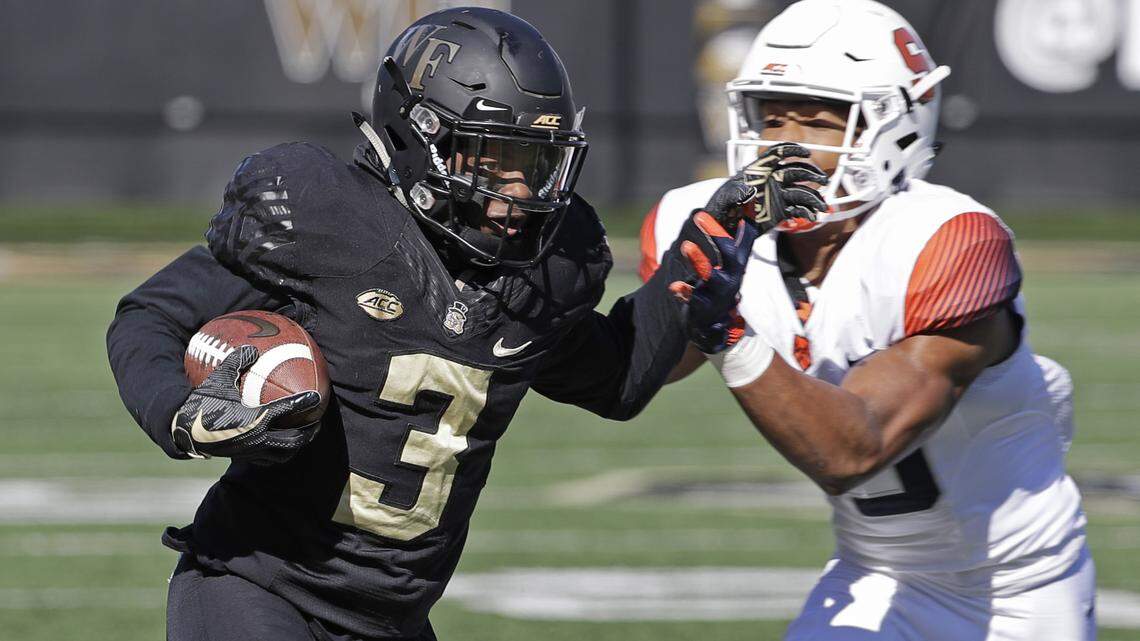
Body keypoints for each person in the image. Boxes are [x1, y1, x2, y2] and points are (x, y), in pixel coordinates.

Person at [106, 8, 802, 641]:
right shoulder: (322, 224)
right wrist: (181, 412)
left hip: (392, 620)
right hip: (256, 590)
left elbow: (617, 378)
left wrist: (704, 250)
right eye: (499, 159)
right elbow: (152, 315)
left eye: (539, 162)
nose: (523, 193)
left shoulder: (534, 274)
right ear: (422, 138)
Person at [641, 1, 1095, 639]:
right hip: (872, 571)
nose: (785, 144)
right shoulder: (709, 222)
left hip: (1017, 589)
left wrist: (727, 331)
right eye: (772, 118)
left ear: (897, 128)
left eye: (820, 121)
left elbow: (852, 450)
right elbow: (636, 373)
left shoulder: (949, 240)